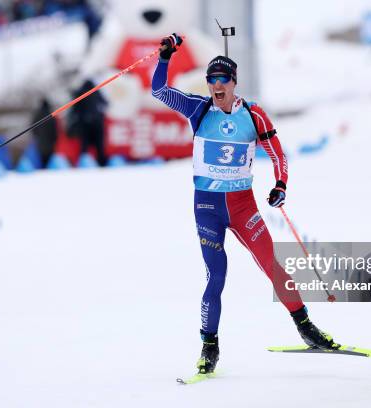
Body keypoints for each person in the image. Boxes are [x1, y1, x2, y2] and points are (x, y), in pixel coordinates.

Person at [151, 34, 339, 375]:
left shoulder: (253, 115)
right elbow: (159, 91)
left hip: (243, 207)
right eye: (212, 80)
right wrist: (165, 57)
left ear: (234, 82)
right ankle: (209, 347)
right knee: (216, 276)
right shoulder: (199, 108)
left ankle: (306, 328)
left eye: (223, 80)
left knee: (272, 265)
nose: (216, 85)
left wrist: (280, 185)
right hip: (207, 208)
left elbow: (278, 153)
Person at [68, 79, 107, 166]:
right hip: (97, 123)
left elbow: (74, 109)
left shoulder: (80, 92)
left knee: (84, 145)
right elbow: (105, 103)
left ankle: (84, 164)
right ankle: (102, 164)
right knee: (99, 145)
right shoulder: (96, 92)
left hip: (84, 123)